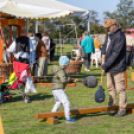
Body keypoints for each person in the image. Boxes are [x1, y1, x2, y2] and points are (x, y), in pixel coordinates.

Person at [101, 19, 127, 117]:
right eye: (106, 27)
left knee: (120, 88)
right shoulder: (109, 34)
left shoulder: (120, 36)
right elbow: (104, 46)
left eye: (108, 27)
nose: (106, 29)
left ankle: (122, 109)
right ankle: (111, 107)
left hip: (118, 66)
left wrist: (105, 65)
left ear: (113, 26)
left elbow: (115, 53)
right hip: (109, 66)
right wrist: (103, 53)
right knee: (110, 87)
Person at [51, 56, 78, 123]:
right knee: (66, 103)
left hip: (54, 89)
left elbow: (63, 79)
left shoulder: (58, 70)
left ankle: (53, 115)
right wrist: (70, 79)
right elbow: (63, 80)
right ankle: (68, 119)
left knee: (58, 102)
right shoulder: (61, 71)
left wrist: (72, 80)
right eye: (68, 64)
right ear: (65, 64)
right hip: (59, 89)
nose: (68, 65)